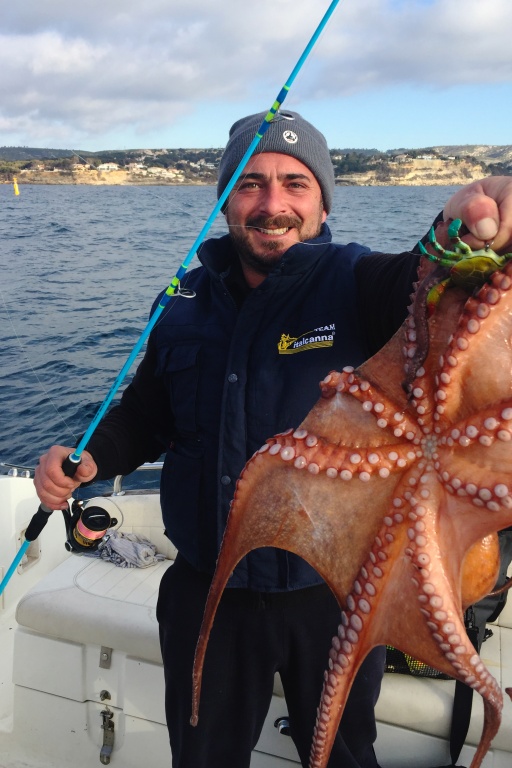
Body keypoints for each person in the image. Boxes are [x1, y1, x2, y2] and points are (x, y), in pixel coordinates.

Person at [34, 111, 512, 768]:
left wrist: (459, 227)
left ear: (321, 200)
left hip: (334, 591)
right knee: (204, 755)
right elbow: (148, 412)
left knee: (345, 753)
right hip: (208, 589)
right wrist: (89, 460)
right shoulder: (182, 301)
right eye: (251, 183)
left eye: (294, 183)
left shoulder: (356, 280)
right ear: (226, 197)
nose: (272, 204)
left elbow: (423, 284)